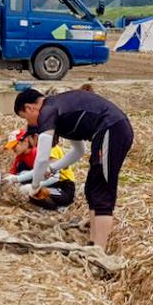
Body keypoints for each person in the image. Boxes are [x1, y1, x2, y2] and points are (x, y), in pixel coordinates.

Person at [14, 87, 134, 247]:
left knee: (102, 191)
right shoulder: (62, 111)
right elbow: (79, 151)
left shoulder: (47, 111)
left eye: (25, 118)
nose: (29, 123)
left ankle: (98, 251)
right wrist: (53, 168)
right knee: (92, 189)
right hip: (109, 130)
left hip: (112, 129)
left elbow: (41, 158)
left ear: (30, 108)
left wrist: (35, 186)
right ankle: (93, 242)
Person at [3, 129, 76, 211]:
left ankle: (58, 208)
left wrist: (19, 180)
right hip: (54, 184)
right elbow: (38, 172)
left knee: (37, 192)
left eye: (31, 137)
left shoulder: (52, 150)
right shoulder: (43, 150)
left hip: (64, 186)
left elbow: (55, 177)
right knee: (32, 192)